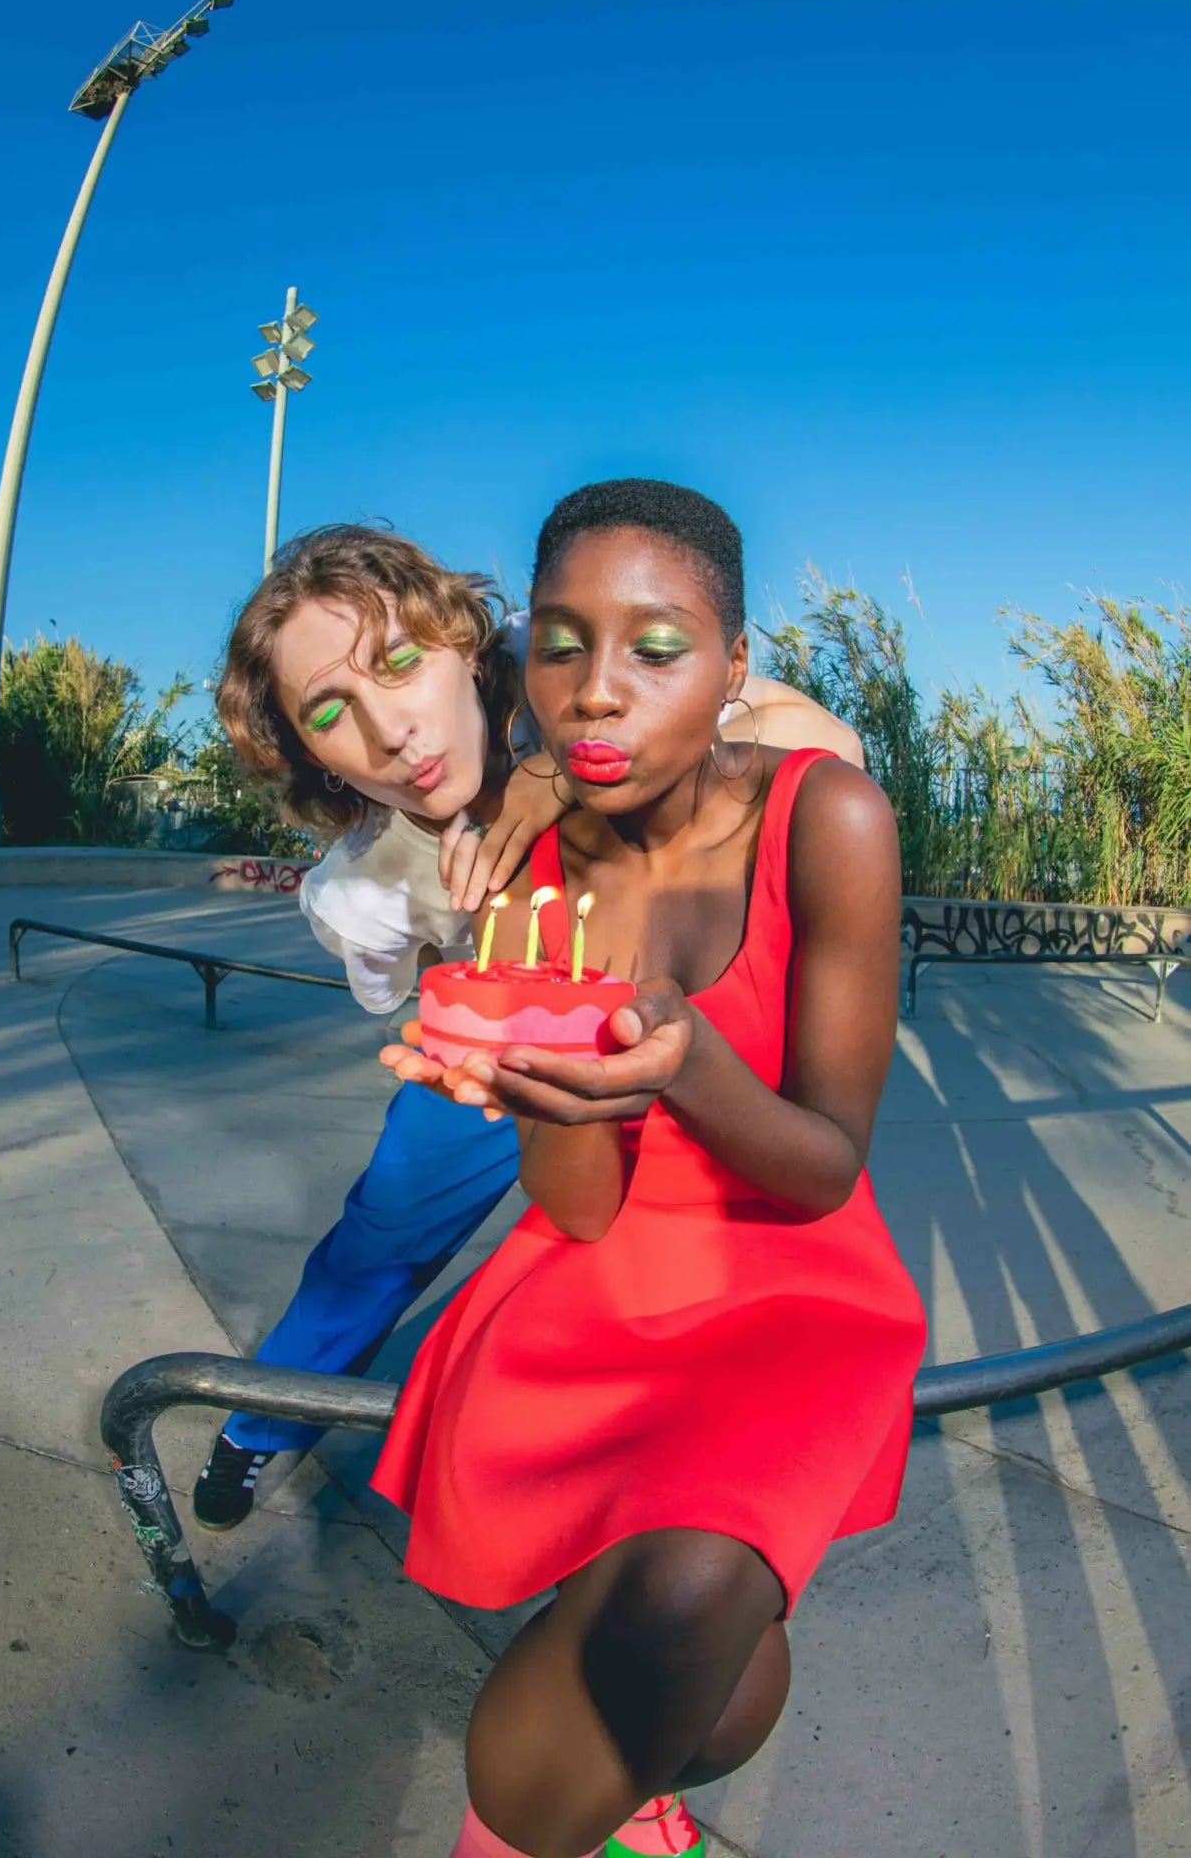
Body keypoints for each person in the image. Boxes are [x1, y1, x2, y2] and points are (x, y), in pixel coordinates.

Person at [375, 480, 926, 1858]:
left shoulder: (828, 817)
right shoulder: (530, 873)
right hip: (596, 1280)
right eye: (559, 645)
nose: (596, 690)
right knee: (711, 1682)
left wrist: (683, 1061)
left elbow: (824, 1165)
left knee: (683, 1615)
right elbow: (576, 1207)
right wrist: (538, 1085)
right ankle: (633, 1809)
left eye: (656, 647)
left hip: (788, 1278)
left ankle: (517, 1830)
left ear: (735, 667)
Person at [192, 520, 865, 1531]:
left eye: (400, 663)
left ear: (465, 646)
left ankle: (671, 1477)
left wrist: (563, 766)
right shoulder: (359, 891)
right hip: (499, 1043)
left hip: (656, 1011)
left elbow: (828, 744)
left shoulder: (558, 667)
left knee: (682, 1256)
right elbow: (409, 994)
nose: (391, 732)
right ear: (313, 758)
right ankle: (259, 1426)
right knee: (376, 1240)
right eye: (331, 711)